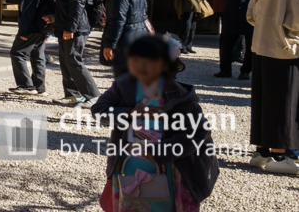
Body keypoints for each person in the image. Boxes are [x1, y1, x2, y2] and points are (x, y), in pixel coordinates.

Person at [88, 34, 220, 209]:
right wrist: (129, 112)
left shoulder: (179, 96)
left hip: (168, 165)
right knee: (133, 201)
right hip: (130, 162)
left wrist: (159, 152)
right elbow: (99, 109)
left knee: (163, 203)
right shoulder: (124, 88)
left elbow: (197, 133)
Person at [247, 0, 299, 175]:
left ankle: (261, 152)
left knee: (264, 97)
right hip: (287, 47)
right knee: (285, 100)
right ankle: (281, 156)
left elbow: (250, 14)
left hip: (261, 44)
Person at [50, 0, 100, 105]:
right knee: (66, 59)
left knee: (73, 58)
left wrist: (70, 27)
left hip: (76, 27)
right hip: (66, 24)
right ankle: (72, 94)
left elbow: (78, 4)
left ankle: (93, 95)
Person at [7, 0, 54, 97]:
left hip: (32, 25)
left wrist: (23, 29)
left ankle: (26, 85)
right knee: (38, 54)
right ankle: (40, 87)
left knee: (17, 52)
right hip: (42, 25)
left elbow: (28, 8)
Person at [102, 0, 150, 79]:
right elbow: (144, 11)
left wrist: (110, 44)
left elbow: (118, 19)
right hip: (140, 34)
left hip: (125, 38)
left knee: (124, 79)